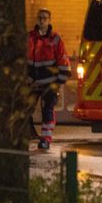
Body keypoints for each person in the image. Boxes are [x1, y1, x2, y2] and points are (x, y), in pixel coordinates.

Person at [27, 8, 70, 150]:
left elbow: (63, 62)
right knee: (26, 109)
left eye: (45, 18)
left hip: (49, 83)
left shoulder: (55, 39)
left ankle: (45, 139)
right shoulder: (30, 38)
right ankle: (28, 133)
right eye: (40, 17)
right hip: (32, 82)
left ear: (49, 20)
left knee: (47, 110)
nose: (42, 20)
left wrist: (58, 83)